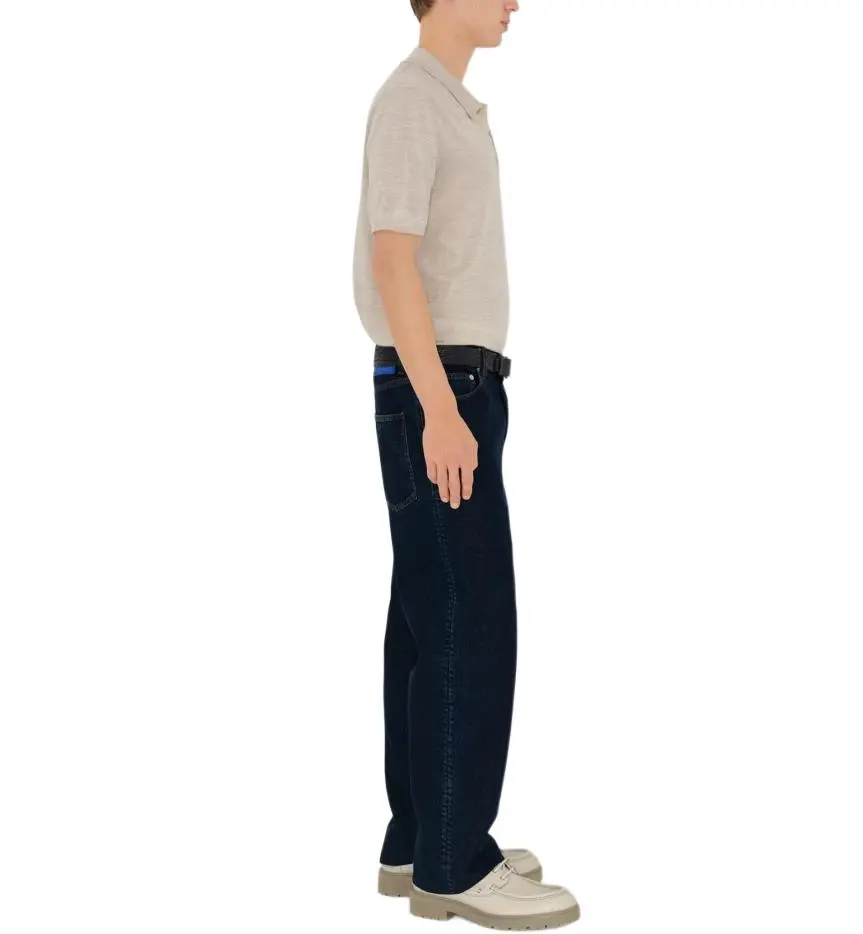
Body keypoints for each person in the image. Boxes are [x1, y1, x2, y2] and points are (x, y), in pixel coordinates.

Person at [352, 1, 580, 929]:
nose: (517, 2)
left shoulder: (444, 101)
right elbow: (392, 261)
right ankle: (455, 860)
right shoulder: (414, 99)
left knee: (426, 617)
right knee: (469, 619)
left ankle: (419, 838)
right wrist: (443, 411)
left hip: (445, 383)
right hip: (437, 385)